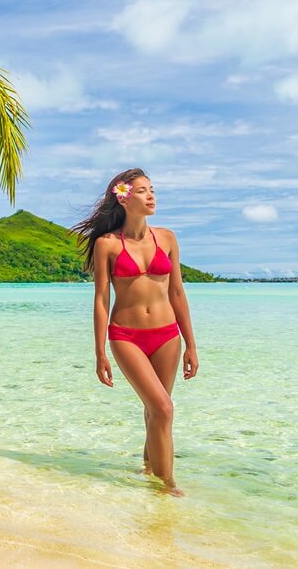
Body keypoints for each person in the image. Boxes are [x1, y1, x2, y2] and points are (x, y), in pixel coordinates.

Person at [72, 168, 199, 496]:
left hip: (167, 335)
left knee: (156, 410)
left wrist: (191, 344)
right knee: (163, 409)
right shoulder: (107, 244)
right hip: (126, 336)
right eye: (143, 191)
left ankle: (148, 470)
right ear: (124, 198)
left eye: (152, 189)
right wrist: (99, 351)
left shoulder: (167, 238)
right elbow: (101, 299)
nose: (152, 195)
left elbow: (177, 293)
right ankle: (166, 486)